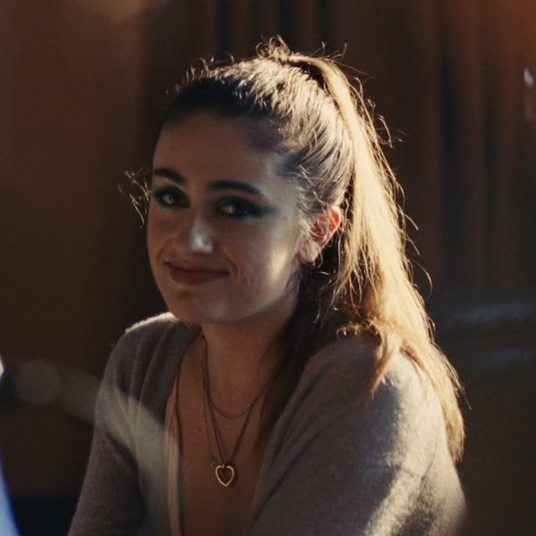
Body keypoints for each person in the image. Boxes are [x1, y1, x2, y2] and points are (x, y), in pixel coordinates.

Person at [69, 38, 466, 536]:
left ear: (317, 231)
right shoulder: (142, 362)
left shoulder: (372, 387)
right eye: (170, 197)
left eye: (234, 207)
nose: (188, 238)